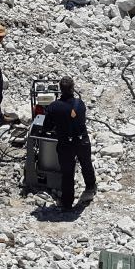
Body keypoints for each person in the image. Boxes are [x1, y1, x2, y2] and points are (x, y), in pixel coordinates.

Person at [43, 76, 96, 211]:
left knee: (67, 173)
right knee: (86, 164)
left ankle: (67, 202)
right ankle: (90, 187)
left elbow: (46, 128)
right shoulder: (80, 104)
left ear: (60, 90)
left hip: (66, 143)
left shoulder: (53, 107)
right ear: (73, 89)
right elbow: (80, 120)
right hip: (82, 140)